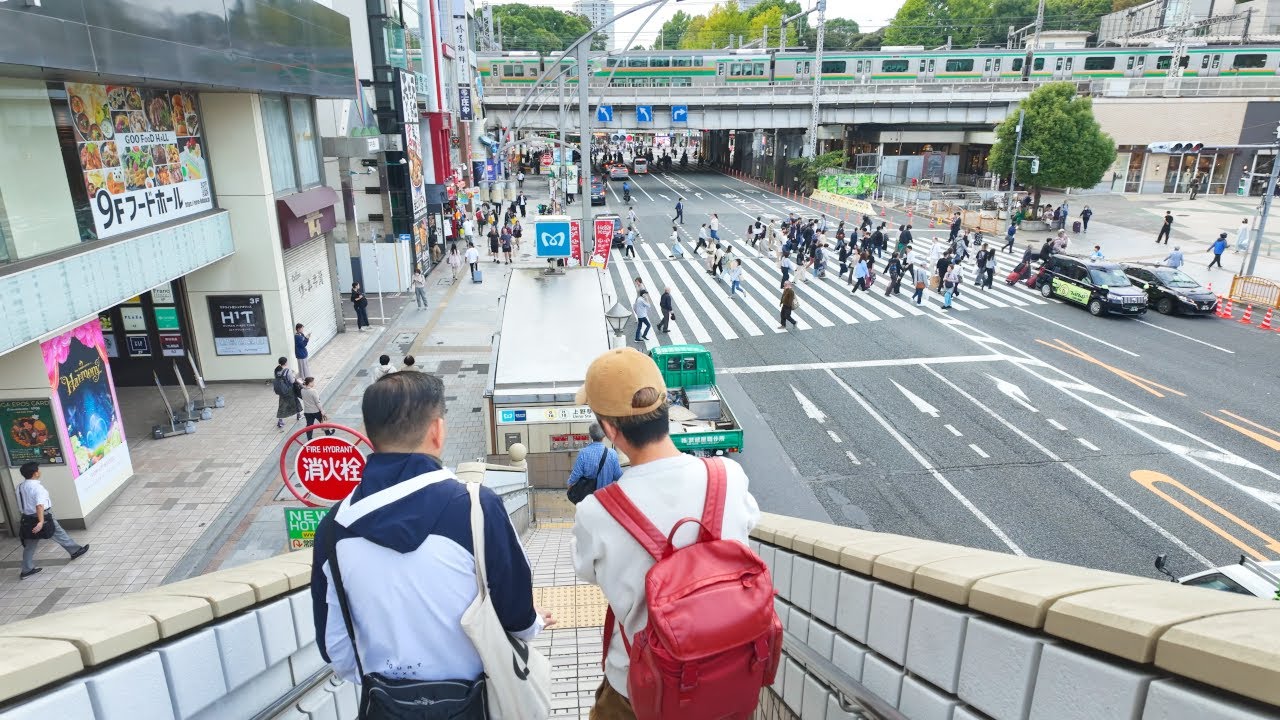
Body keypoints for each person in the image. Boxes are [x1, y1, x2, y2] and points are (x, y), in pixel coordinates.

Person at [311, 372, 551, 707]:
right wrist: (534, 622)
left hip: (386, 707)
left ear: (370, 434)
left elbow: (335, 648)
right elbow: (518, 620)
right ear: (437, 430)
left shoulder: (333, 528)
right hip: (475, 704)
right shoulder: (476, 507)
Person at [571, 348, 760, 717]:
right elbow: (749, 525)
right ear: (665, 405)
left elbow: (587, 572)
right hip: (725, 678)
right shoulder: (728, 477)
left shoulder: (597, 510)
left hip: (639, 690)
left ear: (610, 429)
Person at [16, 462, 88, 580]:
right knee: (58, 532)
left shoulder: (20, 487)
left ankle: (26, 570)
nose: (40, 471)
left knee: (30, 545)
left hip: (27, 518)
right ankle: (75, 550)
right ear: (35, 473)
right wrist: (40, 521)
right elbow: (39, 505)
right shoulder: (37, 487)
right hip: (42, 516)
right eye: (38, 470)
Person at [567, 423, 623, 500]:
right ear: (604, 435)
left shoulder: (583, 453)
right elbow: (618, 476)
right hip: (607, 496)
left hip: (589, 497)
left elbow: (576, 474)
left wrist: (570, 485)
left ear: (590, 435)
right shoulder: (612, 453)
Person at [274, 356, 301, 430]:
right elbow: (292, 381)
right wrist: (294, 376)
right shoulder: (287, 370)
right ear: (285, 362)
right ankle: (298, 415)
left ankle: (280, 420)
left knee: (282, 405)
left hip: (281, 391)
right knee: (295, 401)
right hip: (289, 390)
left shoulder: (276, 370)